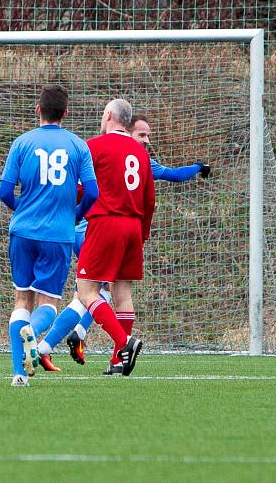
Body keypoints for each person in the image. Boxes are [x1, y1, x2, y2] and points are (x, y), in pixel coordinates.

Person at [36, 115, 211, 370]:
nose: (146, 140)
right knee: (97, 293)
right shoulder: (134, 157)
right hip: (96, 230)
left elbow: (79, 187)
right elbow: (153, 191)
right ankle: (93, 340)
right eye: (141, 134)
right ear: (126, 130)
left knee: (88, 295)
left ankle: (53, 345)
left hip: (101, 229)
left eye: (148, 136)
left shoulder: (127, 155)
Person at [0, 85, 98, 387]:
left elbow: (4, 191)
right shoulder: (78, 146)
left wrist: (22, 209)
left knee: (21, 300)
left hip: (23, 231)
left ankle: (18, 374)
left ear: (37, 110)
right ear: (65, 113)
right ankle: (33, 333)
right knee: (48, 304)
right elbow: (92, 192)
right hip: (58, 234)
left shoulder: (21, 143)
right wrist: (75, 216)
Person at [55, 99, 154, 377]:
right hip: (133, 226)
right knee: (122, 293)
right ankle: (117, 361)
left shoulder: (94, 146)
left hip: (105, 222)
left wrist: (68, 212)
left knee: (87, 291)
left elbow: (79, 188)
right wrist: (142, 233)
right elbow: (149, 200)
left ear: (109, 116)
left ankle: (124, 344)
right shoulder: (141, 153)